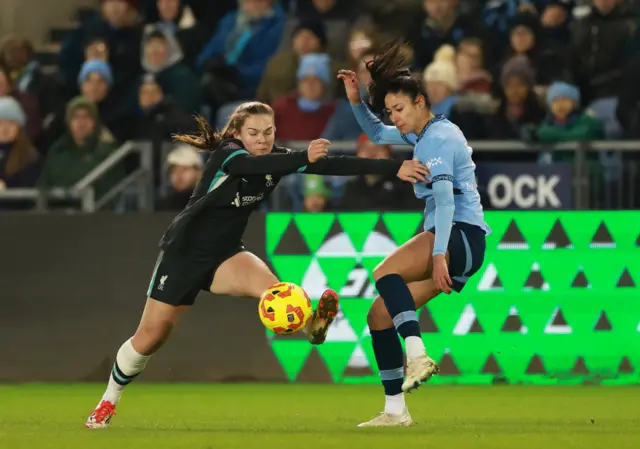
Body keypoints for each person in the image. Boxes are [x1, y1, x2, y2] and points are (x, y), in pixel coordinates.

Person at [85, 101, 430, 429]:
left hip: (226, 255)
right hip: (183, 256)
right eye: (254, 133)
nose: (262, 140)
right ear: (238, 133)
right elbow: (252, 167)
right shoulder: (228, 156)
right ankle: (108, 401)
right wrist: (300, 158)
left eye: (268, 131)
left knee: (277, 294)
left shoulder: (277, 158)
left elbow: (334, 164)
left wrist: (393, 167)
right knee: (152, 336)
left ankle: (310, 325)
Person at [337, 42, 491, 427]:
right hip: (463, 243)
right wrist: (357, 100)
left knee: (384, 272)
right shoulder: (423, 135)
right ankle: (395, 411)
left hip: (458, 234)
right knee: (379, 316)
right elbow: (376, 132)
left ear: (421, 101)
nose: (395, 118)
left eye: (400, 109)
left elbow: (445, 198)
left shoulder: (439, 138)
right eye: (391, 111)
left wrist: (438, 254)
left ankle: (417, 352)